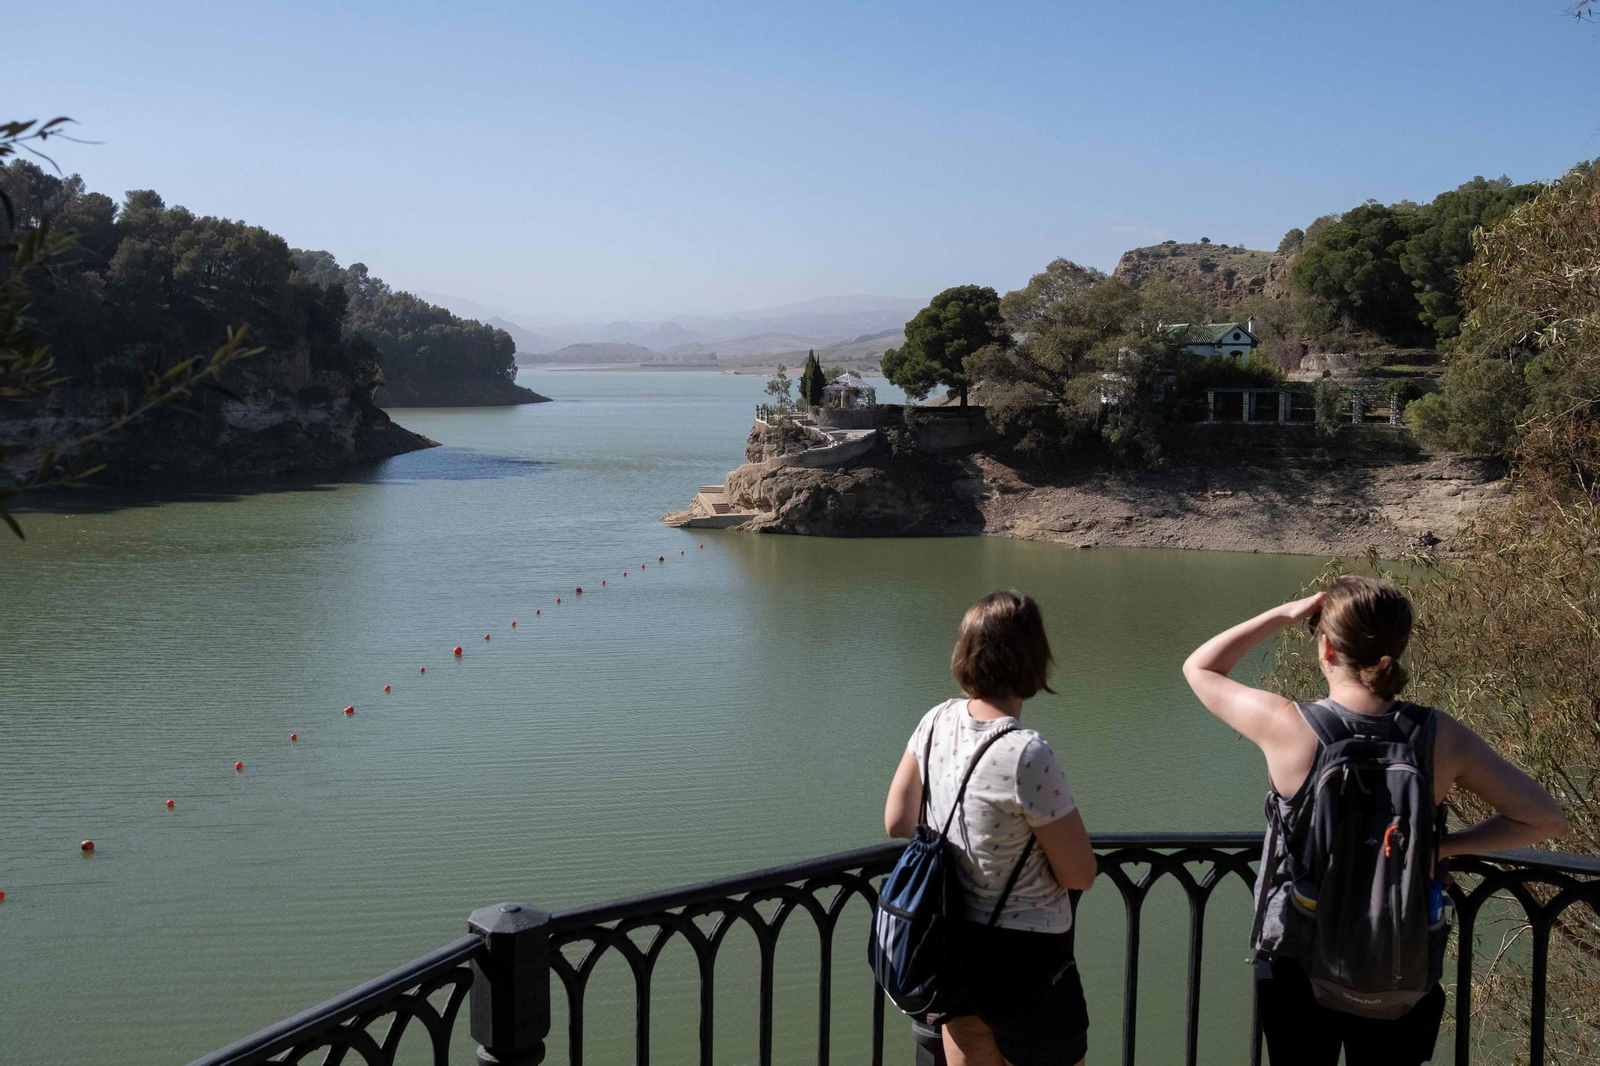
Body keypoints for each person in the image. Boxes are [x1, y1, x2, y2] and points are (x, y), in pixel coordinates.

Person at [1182, 576, 1567, 1066]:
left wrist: (1286, 613)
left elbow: (1200, 667)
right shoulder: (1437, 735)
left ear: (1325, 648)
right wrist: (1441, 849)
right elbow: (1544, 819)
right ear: (1398, 646)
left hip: (1299, 961)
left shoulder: (1288, 725)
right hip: (1401, 966)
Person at [883, 590, 1098, 1066]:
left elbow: (896, 820)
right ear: (1035, 659)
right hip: (1031, 966)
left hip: (954, 949)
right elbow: (1080, 873)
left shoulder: (935, 722)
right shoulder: (1027, 753)